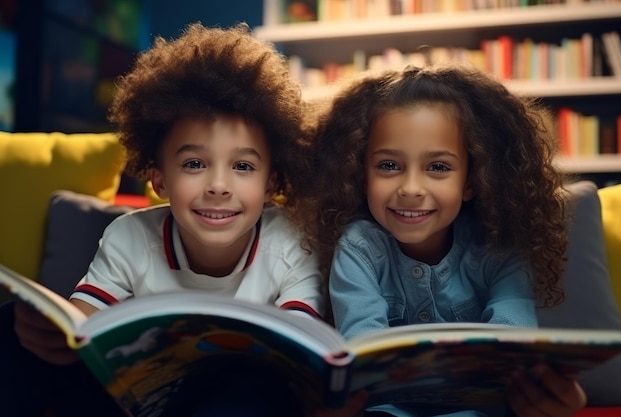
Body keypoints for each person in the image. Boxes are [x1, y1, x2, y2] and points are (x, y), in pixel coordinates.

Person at [0, 22, 323, 417]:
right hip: (138, 400)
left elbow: (304, 347)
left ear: (271, 182)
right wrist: (51, 335)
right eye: (193, 163)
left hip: (237, 400)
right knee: (8, 327)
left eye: (242, 165)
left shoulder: (292, 240)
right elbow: (84, 324)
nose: (218, 186)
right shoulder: (129, 236)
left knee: (252, 384)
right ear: (159, 180)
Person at [303, 64, 587, 417]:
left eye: (438, 167)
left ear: (472, 180)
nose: (410, 189)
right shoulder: (358, 247)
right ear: (361, 175)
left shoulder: (500, 249)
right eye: (389, 166)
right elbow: (365, 351)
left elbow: (512, 342)